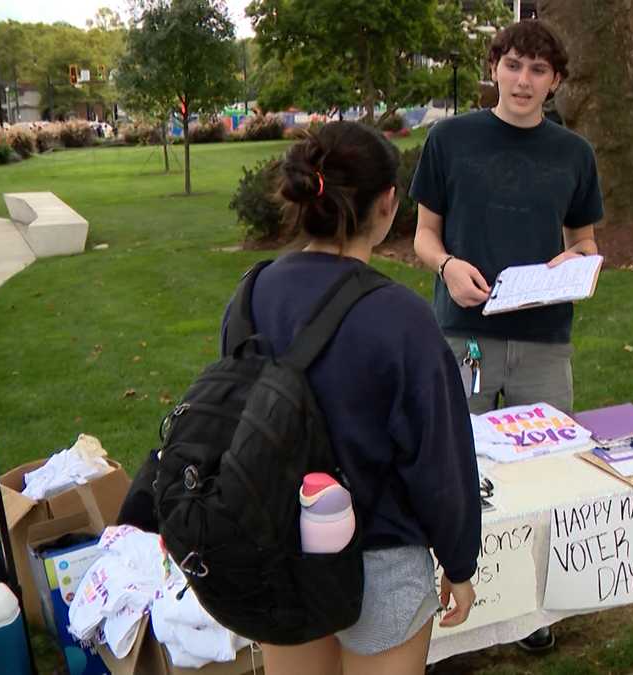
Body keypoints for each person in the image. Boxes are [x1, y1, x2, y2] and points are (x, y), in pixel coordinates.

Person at [240, 121, 480, 675]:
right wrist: (460, 562)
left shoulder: (251, 293)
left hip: (278, 549)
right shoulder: (402, 319)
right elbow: (439, 461)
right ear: (388, 203)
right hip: (380, 557)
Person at [411, 20, 604, 654]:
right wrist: (446, 265)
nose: (524, 81)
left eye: (538, 70)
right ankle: (452, 594)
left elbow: (585, 241)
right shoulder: (450, 139)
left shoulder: (574, 153)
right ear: (493, 67)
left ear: (555, 81)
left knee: (545, 473)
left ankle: (534, 611)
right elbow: (423, 236)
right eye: (514, 65)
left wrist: (575, 260)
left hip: (544, 337)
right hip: (464, 334)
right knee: (456, 466)